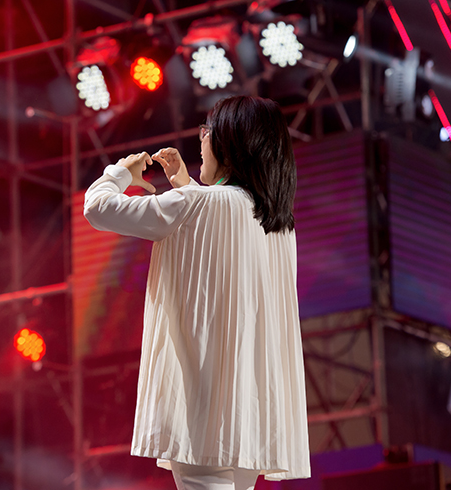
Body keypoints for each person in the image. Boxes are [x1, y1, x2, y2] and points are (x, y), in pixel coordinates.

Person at [83, 96, 310, 490]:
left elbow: (97, 207)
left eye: (207, 130)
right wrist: (185, 187)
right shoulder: (278, 224)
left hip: (202, 411)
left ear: (228, 142)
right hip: (250, 415)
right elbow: (214, 225)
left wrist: (120, 173)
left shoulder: (195, 204)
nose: (201, 138)